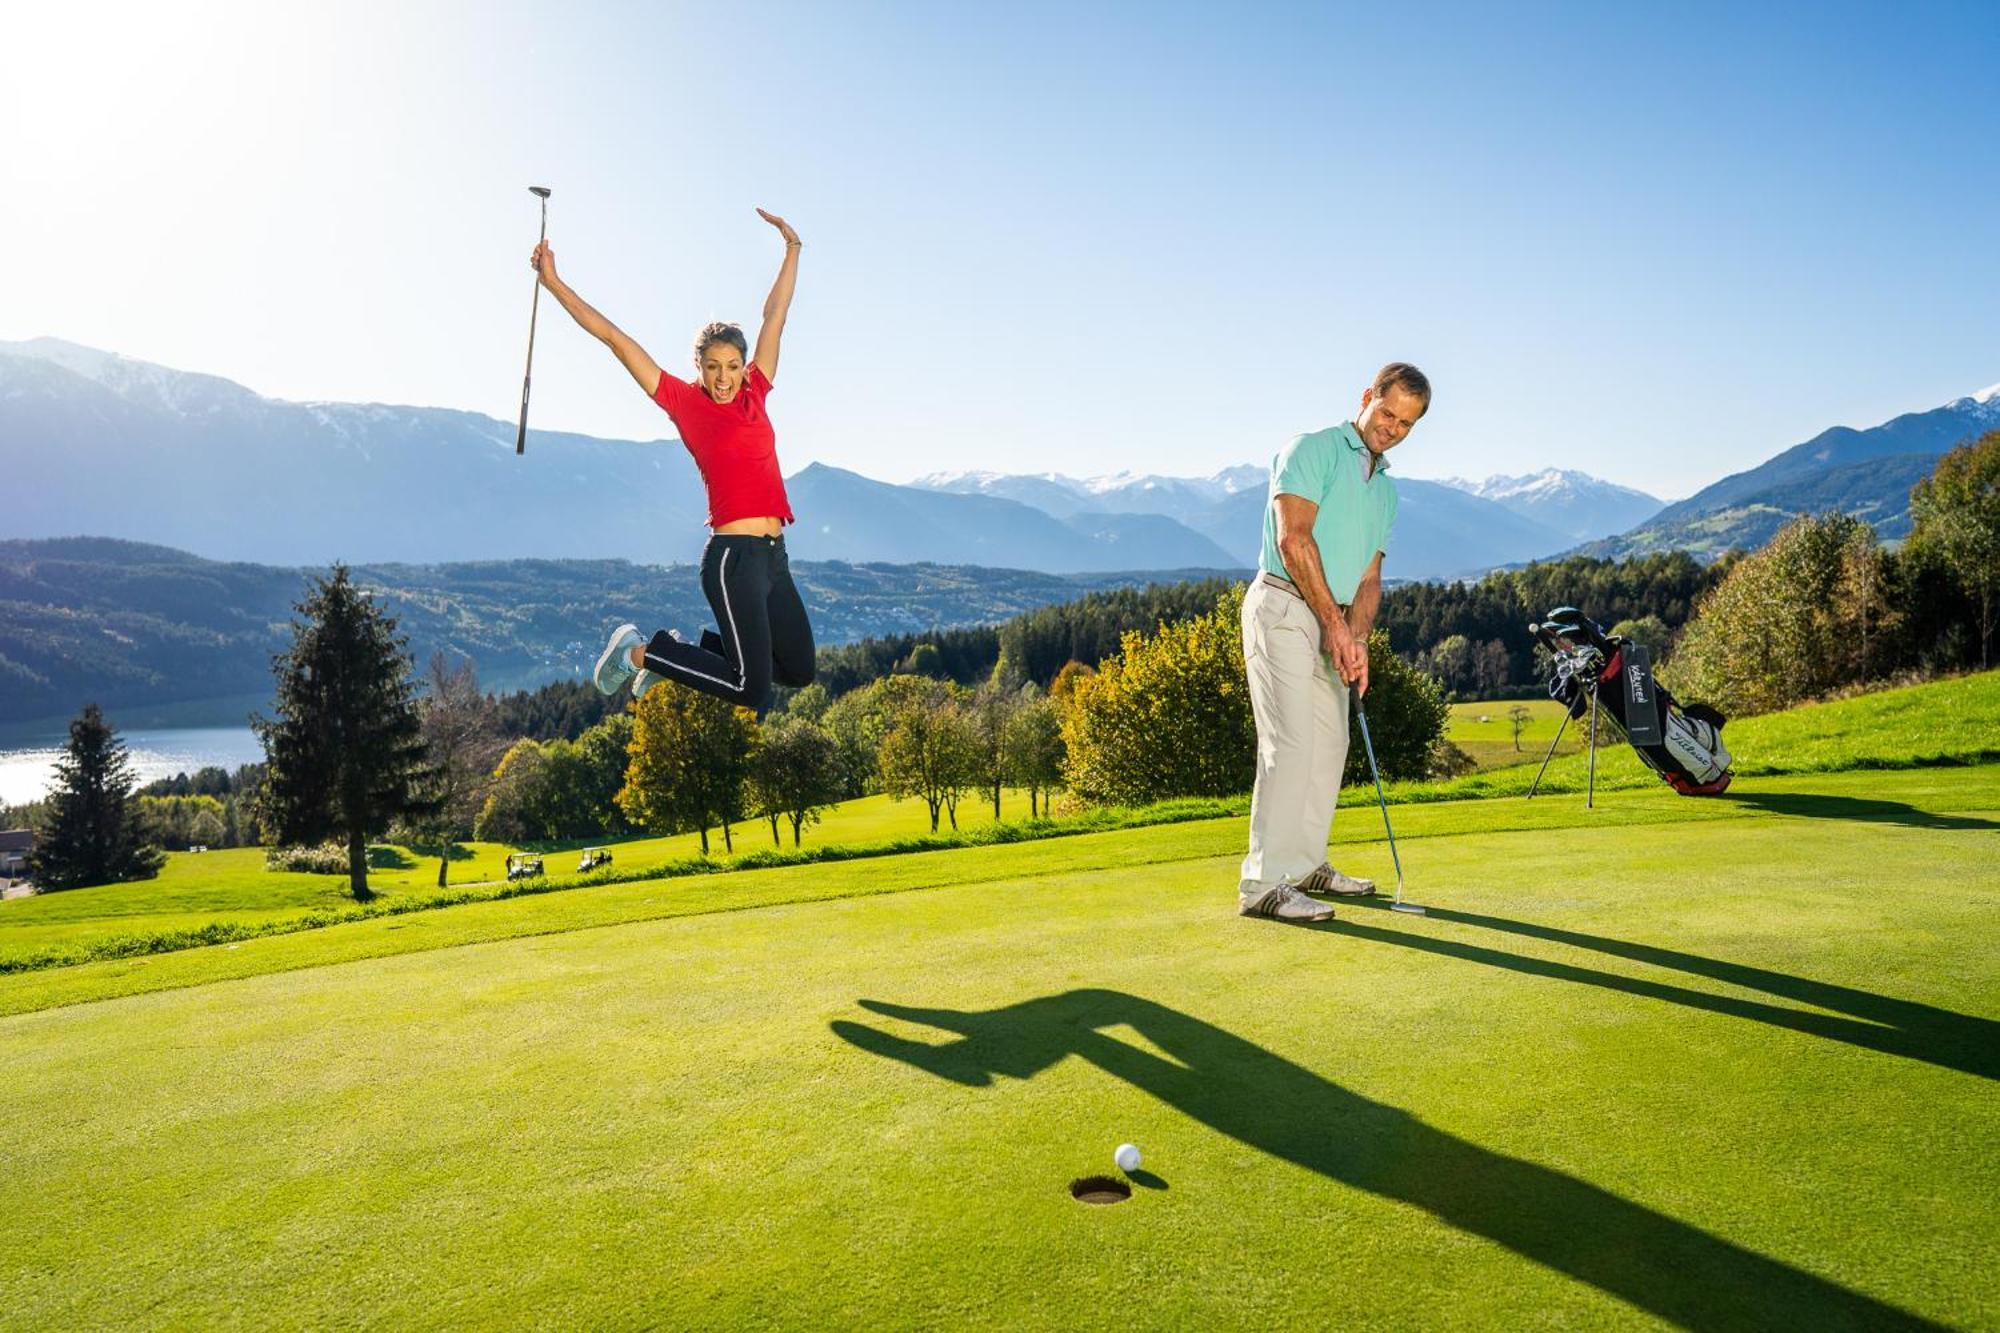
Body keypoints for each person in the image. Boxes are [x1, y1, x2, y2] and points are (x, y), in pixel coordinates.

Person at [530, 208, 814, 717]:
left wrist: (792, 249)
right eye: (713, 367)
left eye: (732, 366)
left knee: (797, 669)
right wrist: (554, 283)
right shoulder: (685, 403)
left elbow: (775, 315)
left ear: (742, 366)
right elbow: (615, 339)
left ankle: (672, 658)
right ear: (698, 368)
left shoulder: (756, 392)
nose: (724, 378)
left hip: (774, 558)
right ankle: (640, 651)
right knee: (753, 690)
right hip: (733, 560)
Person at [1238, 363, 1430, 922]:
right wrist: (1335, 625)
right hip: (1282, 608)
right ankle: (1262, 885)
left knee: (1330, 745)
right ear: (1367, 396)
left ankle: (1303, 864)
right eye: (1387, 412)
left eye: (1406, 424)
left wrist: (1359, 638)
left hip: (1334, 621)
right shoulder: (1313, 450)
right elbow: (1293, 541)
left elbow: (1369, 579)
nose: (1391, 428)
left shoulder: (1386, 492)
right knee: (1291, 744)